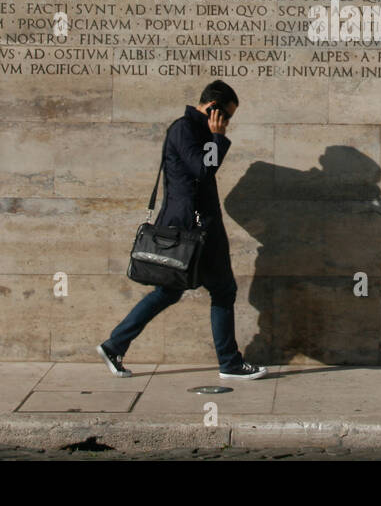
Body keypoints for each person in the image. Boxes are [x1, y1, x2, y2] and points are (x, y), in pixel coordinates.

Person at [98, 80, 267, 380]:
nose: (227, 123)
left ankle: (115, 344)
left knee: (169, 292)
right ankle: (229, 363)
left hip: (194, 227)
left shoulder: (194, 129)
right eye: (226, 115)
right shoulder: (185, 129)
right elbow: (203, 169)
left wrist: (214, 136)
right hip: (193, 230)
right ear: (212, 107)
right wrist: (218, 138)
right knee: (222, 290)